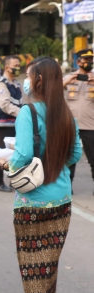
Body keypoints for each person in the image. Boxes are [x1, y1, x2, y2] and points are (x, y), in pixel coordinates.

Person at [2, 57, 82, 293]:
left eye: (28, 75)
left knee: (33, 260)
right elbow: (75, 154)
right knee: (51, 255)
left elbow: (22, 156)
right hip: (62, 197)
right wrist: (53, 162)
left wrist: (6, 164)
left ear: (37, 81)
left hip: (32, 201)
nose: (25, 80)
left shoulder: (28, 112)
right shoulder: (65, 113)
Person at [0, 55, 23, 192]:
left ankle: (14, 181)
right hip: (0, 125)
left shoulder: (16, 84)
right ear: (7, 67)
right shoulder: (1, 85)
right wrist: (24, 114)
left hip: (14, 124)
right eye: (16, 65)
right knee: (0, 153)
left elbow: (19, 103)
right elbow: (5, 106)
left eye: (19, 65)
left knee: (14, 154)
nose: (18, 68)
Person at [63, 48, 94, 194]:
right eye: (85, 60)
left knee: (93, 159)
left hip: (90, 126)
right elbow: (53, 90)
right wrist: (69, 80)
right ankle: (67, 188)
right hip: (70, 125)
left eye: (90, 60)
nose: (88, 62)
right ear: (78, 62)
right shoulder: (69, 77)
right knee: (69, 159)